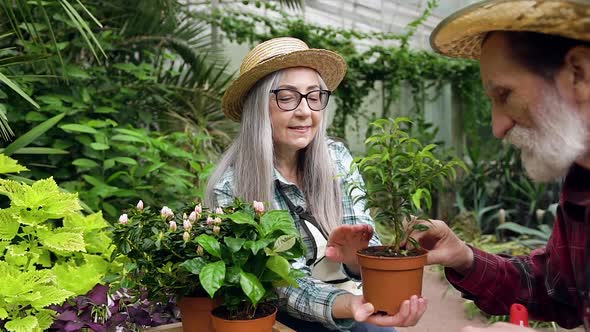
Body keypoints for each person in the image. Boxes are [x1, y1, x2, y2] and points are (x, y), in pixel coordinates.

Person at [326, 0, 590, 331]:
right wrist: (464, 257)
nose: (497, 127)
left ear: (578, 73)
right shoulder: (581, 187)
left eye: (504, 94)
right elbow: (554, 288)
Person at [204, 37, 427, 331]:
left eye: (314, 96)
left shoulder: (336, 158)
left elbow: (367, 245)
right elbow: (281, 285)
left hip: (352, 299)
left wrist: (356, 259)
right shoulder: (232, 186)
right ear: (258, 106)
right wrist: (348, 306)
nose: (305, 111)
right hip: (280, 316)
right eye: (286, 97)